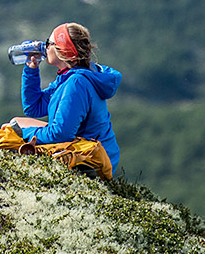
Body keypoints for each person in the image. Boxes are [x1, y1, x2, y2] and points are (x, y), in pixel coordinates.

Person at [7, 22, 120, 175]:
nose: (44, 46)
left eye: (49, 43)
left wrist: (23, 133)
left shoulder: (76, 83)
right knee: (16, 122)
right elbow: (33, 107)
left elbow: (61, 134)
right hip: (89, 146)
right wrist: (31, 70)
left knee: (10, 132)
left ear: (64, 52)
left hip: (91, 159)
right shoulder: (70, 76)